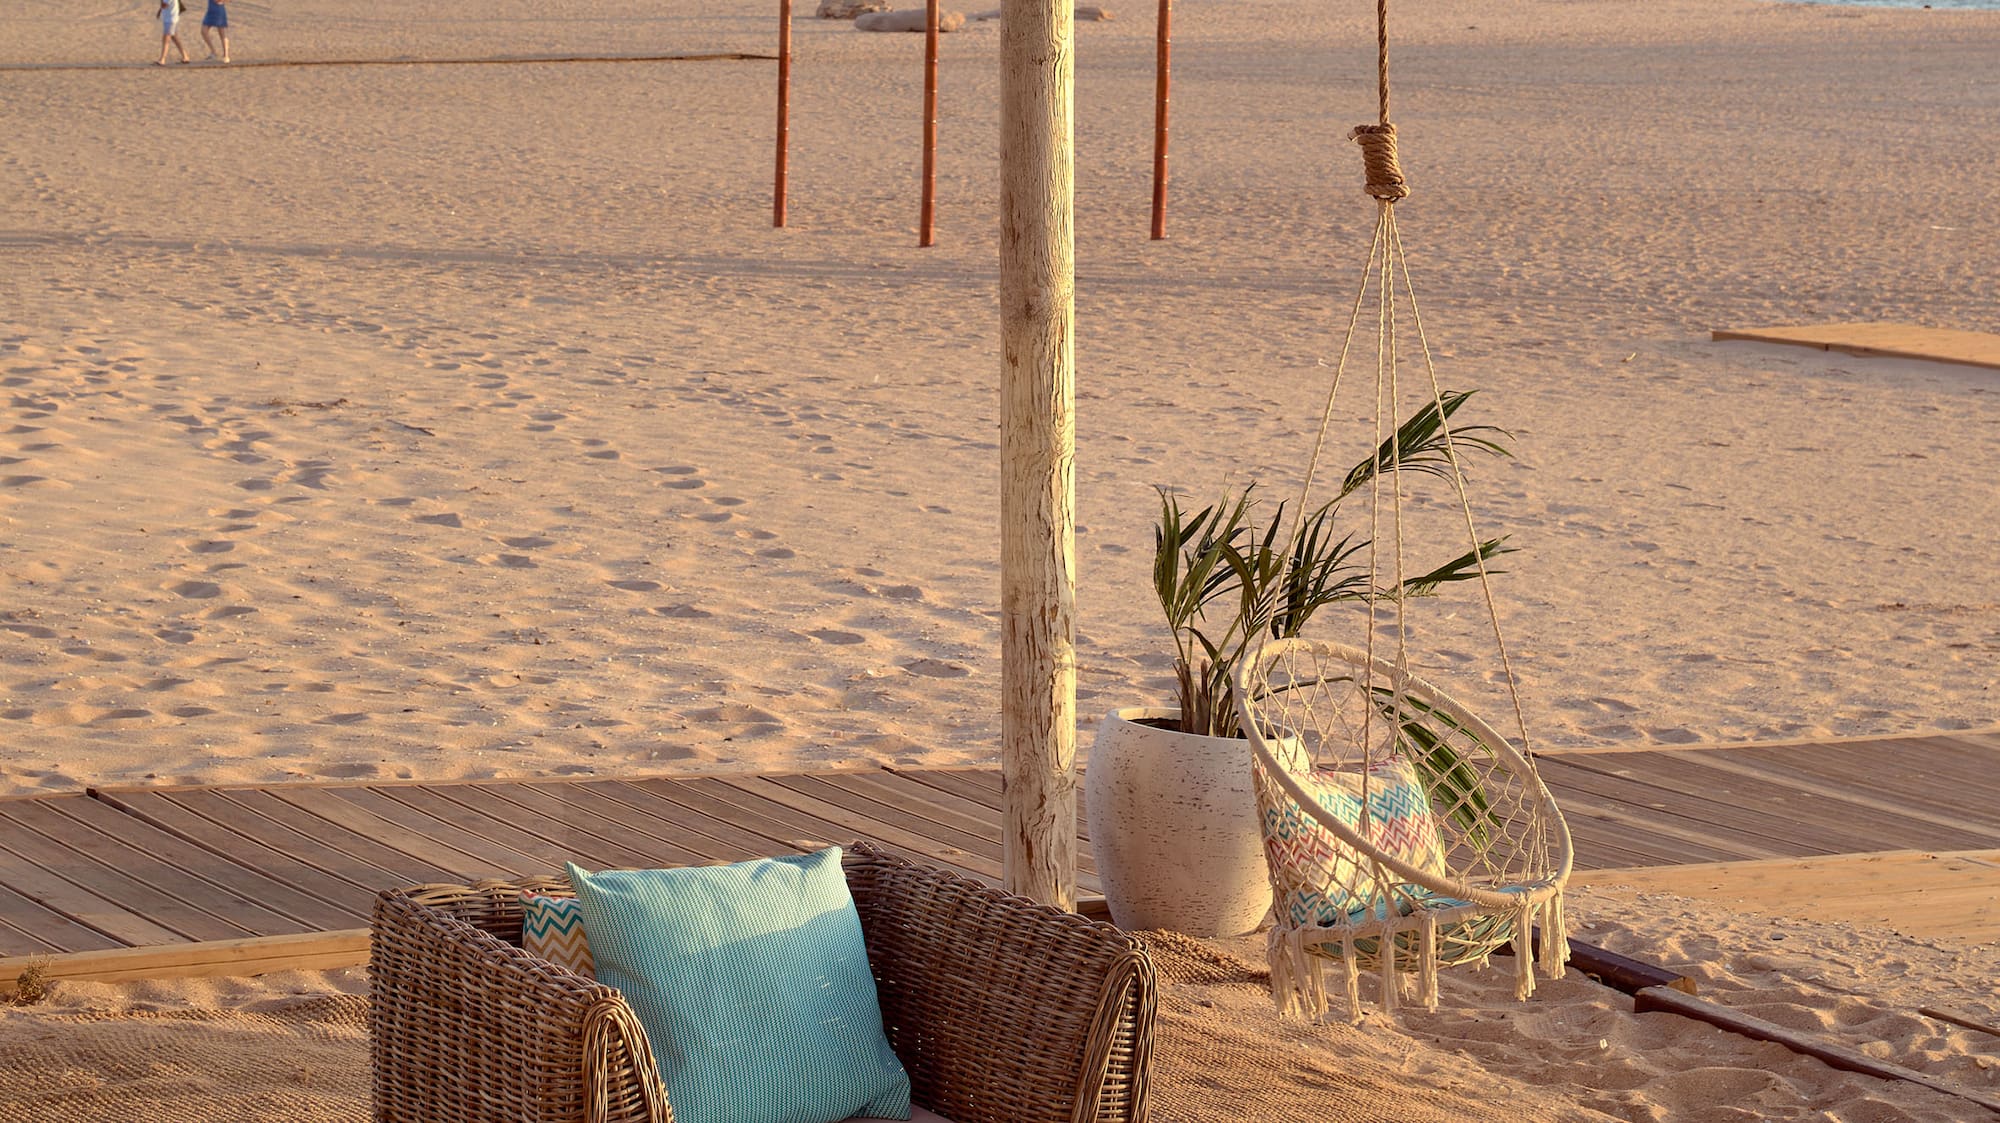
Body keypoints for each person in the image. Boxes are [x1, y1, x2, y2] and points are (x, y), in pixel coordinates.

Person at [157, 0, 190, 65]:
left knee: (166, 38)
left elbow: (164, 5)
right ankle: (185, 56)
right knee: (175, 38)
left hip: (170, 19)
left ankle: (162, 59)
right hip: (169, 18)